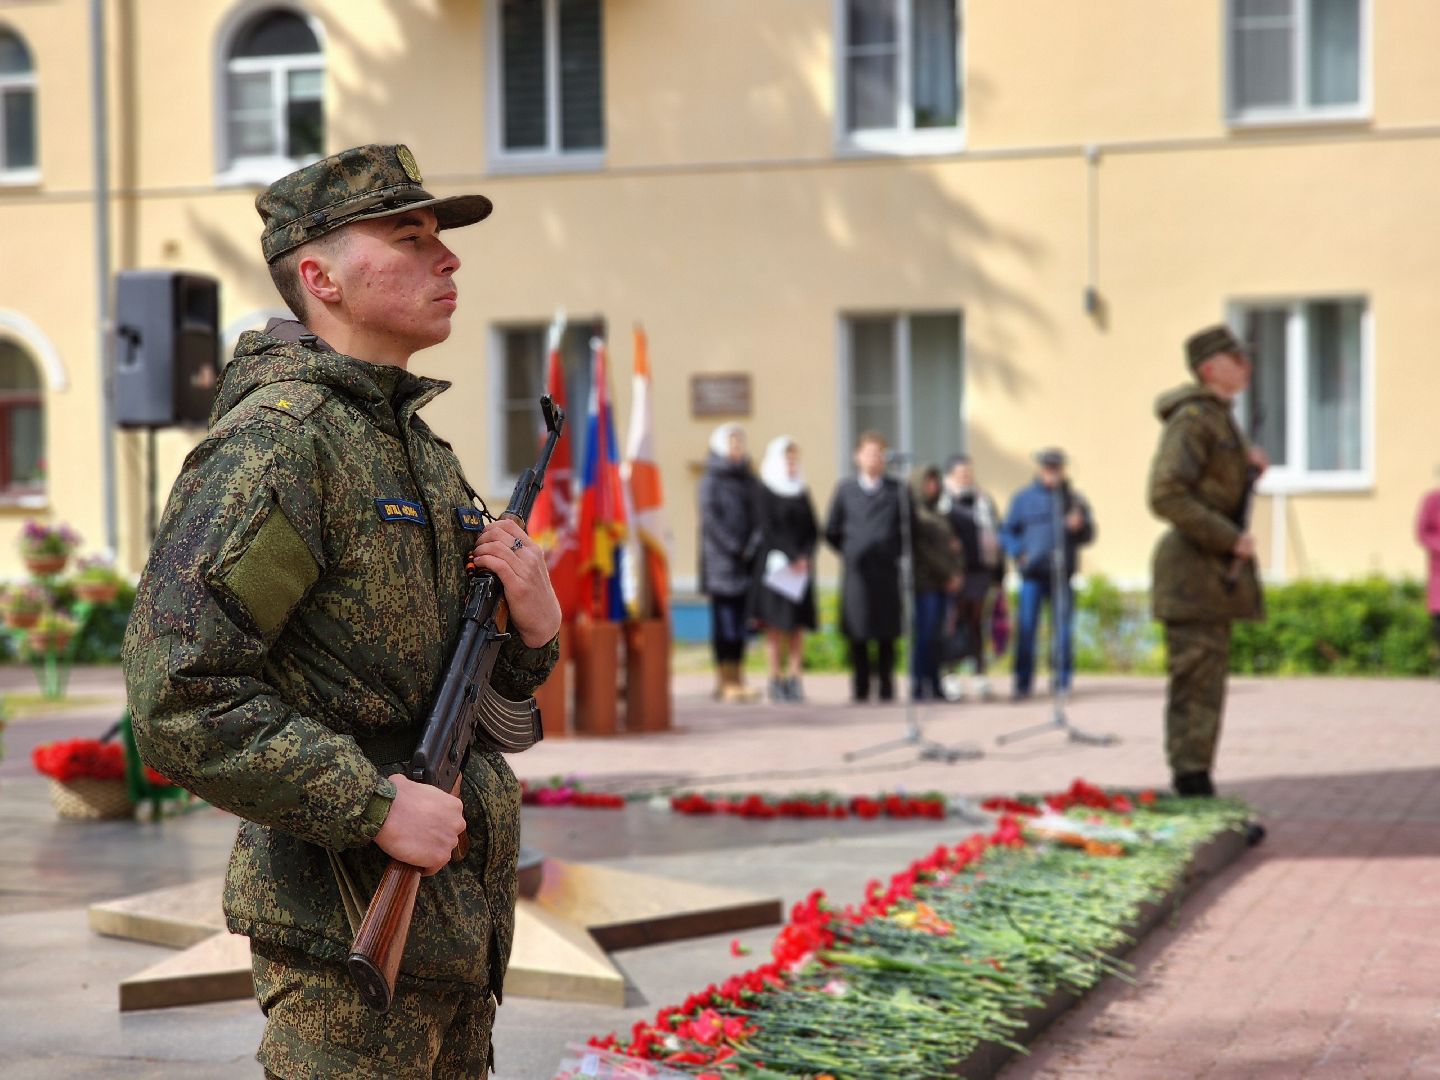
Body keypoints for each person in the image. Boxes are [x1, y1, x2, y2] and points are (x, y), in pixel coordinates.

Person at [121, 145, 562, 1079]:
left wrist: (534, 625)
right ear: (317, 276)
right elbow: (180, 693)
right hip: (341, 943)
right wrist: (370, 804)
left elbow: (478, 698)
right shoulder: (284, 448)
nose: (448, 261)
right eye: (410, 239)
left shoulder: (414, 450)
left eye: (441, 240)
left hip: (453, 944)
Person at [1149, 324, 1267, 797]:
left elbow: (1210, 488)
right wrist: (1229, 538)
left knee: (1207, 685)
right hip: (1192, 572)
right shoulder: (1194, 419)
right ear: (1209, 367)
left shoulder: (1218, 418)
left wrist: (1247, 469)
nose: (1246, 366)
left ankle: (1197, 778)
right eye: (1236, 358)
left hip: (1208, 575)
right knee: (1196, 685)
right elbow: (1165, 493)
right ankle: (1191, 783)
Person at [1001, 448, 1096, 702]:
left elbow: (1089, 535)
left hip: (1061, 575)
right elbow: (1007, 531)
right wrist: (1018, 552)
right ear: (1039, 469)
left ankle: (1062, 681)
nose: (1052, 473)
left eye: (1057, 468)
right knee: (1027, 629)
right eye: (1048, 468)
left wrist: (1080, 526)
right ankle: (1022, 684)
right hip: (1032, 575)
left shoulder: (1073, 499)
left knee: (1062, 630)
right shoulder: (1023, 499)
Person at [825, 431, 904, 703]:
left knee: (886, 633)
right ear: (857, 457)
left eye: (878, 454)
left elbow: (909, 530)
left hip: (886, 571)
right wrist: (851, 551)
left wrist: (892, 551)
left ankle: (886, 687)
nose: (874, 459)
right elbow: (832, 529)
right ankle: (859, 689)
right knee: (858, 631)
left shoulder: (897, 490)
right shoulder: (845, 489)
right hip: (857, 572)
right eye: (869, 453)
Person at [750, 436, 819, 702]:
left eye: (794, 459)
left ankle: (795, 678)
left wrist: (806, 556)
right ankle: (775, 678)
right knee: (775, 626)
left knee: (797, 626)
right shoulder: (764, 489)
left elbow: (813, 529)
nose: (791, 464)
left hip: (800, 571)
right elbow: (767, 529)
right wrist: (792, 556)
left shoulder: (801, 490)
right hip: (775, 568)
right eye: (787, 459)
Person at [698, 422, 761, 703]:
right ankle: (724, 679)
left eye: (741, 443)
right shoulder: (710, 480)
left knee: (741, 622)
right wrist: (735, 547)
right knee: (725, 624)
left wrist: (752, 546)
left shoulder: (749, 479)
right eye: (733, 443)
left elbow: (759, 515)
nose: (738, 448)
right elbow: (710, 520)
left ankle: (739, 676)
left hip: (745, 562)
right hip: (721, 562)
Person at [938, 453, 1004, 701]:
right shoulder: (942, 502)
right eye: (960, 473)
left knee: (977, 623)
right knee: (952, 623)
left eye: (968, 473)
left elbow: (996, 537)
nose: (966, 477)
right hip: (953, 573)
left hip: (979, 572)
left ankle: (979, 674)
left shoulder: (983, 501)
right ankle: (950, 675)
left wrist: (999, 575)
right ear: (950, 475)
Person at [910, 466, 965, 701]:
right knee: (924, 636)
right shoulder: (916, 516)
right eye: (927, 482)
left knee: (938, 638)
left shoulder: (941, 515)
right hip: (927, 585)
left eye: (935, 482)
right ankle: (919, 683)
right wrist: (947, 575)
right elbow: (923, 552)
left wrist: (957, 572)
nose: (932, 487)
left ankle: (935, 682)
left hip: (945, 585)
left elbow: (954, 546)